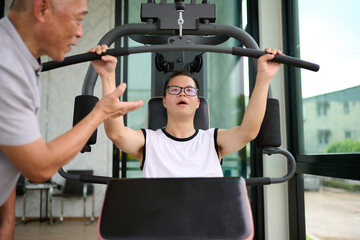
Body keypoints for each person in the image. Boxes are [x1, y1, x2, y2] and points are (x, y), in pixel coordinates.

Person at [0, 1, 143, 239]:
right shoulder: (7, 67)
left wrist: (7, 224)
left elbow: (10, 152)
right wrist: (98, 114)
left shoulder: (24, 63)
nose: (79, 32)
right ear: (42, 8)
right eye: (78, 19)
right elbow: (39, 167)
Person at [92, 45, 283, 178]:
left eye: (189, 90)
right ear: (164, 101)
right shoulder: (149, 141)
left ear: (198, 102)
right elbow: (116, 133)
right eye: (174, 89)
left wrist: (264, 77)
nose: (182, 93)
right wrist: (108, 76)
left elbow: (248, 131)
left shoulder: (213, 140)